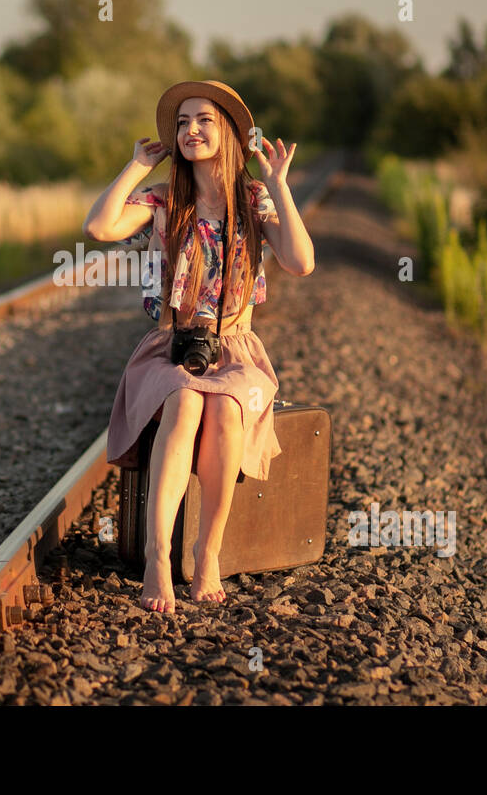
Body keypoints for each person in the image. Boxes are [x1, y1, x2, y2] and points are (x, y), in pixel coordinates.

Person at [83, 80, 315, 612]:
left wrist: (279, 185)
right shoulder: (165, 199)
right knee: (186, 400)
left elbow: (301, 262)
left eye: (204, 120)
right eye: (183, 122)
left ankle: (207, 553)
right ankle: (157, 557)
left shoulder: (253, 200)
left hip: (235, 349)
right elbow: (98, 227)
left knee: (227, 408)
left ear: (228, 131)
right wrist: (136, 167)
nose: (190, 130)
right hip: (170, 346)